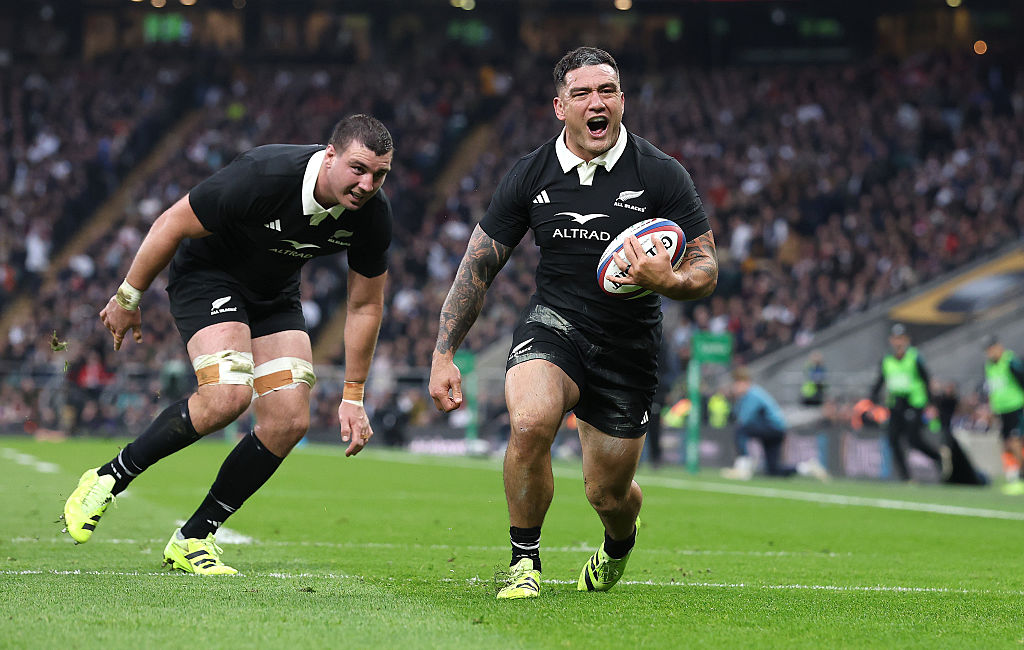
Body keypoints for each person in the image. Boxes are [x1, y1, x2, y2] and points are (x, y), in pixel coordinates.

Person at [428, 47, 718, 599]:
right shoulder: (531, 173)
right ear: (560, 107)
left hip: (628, 346)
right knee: (530, 422)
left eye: (607, 91)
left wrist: (670, 280)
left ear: (622, 100)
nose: (596, 102)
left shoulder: (661, 173)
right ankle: (524, 561)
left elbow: (706, 267)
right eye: (581, 93)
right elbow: (479, 265)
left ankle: (619, 543)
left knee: (608, 494)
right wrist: (444, 352)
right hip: (553, 325)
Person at [61, 114, 394, 574]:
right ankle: (108, 477)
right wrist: (127, 297)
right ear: (331, 155)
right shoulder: (265, 174)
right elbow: (171, 222)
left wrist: (353, 396)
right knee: (227, 395)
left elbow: (365, 306)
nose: (367, 184)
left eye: (379, 174)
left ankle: (194, 537)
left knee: (289, 420)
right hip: (207, 276)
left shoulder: (373, 216)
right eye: (358, 168)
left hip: (274, 295)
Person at [723, 366, 827, 480]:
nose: (734, 387)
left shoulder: (752, 394)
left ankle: (742, 467)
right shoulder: (748, 395)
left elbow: (744, 419)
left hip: (772, 428)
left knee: (740, 430)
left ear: (745, 382)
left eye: (736, 383)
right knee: (773, 470)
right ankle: (808, 468)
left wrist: (734, 399)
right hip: (776, 431)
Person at [869, 323, 942, 481]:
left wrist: (931, 403)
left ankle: (938, 458)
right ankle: (905, 477)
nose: (898, 342)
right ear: (891, 340)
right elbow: (880, 381)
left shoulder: (914, 357)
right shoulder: (886, 359)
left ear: (907, 340)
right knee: (893, 439)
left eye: (901, 338)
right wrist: (871, 400)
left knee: (913, 439)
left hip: (914, 403)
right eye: (896, 339)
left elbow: (926, 379)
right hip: (895, 404)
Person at [982, 336, 1024, 493]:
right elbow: (993, 389)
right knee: (1006, 444)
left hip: (1016, 407)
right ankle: (1013, 477)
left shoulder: (1011, 361)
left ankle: (1022, 475)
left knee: (1015, 442)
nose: (990, 353)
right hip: (1002, 410)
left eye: (991, 349)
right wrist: (991, 409)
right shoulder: (988, 366)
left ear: (999, 347)